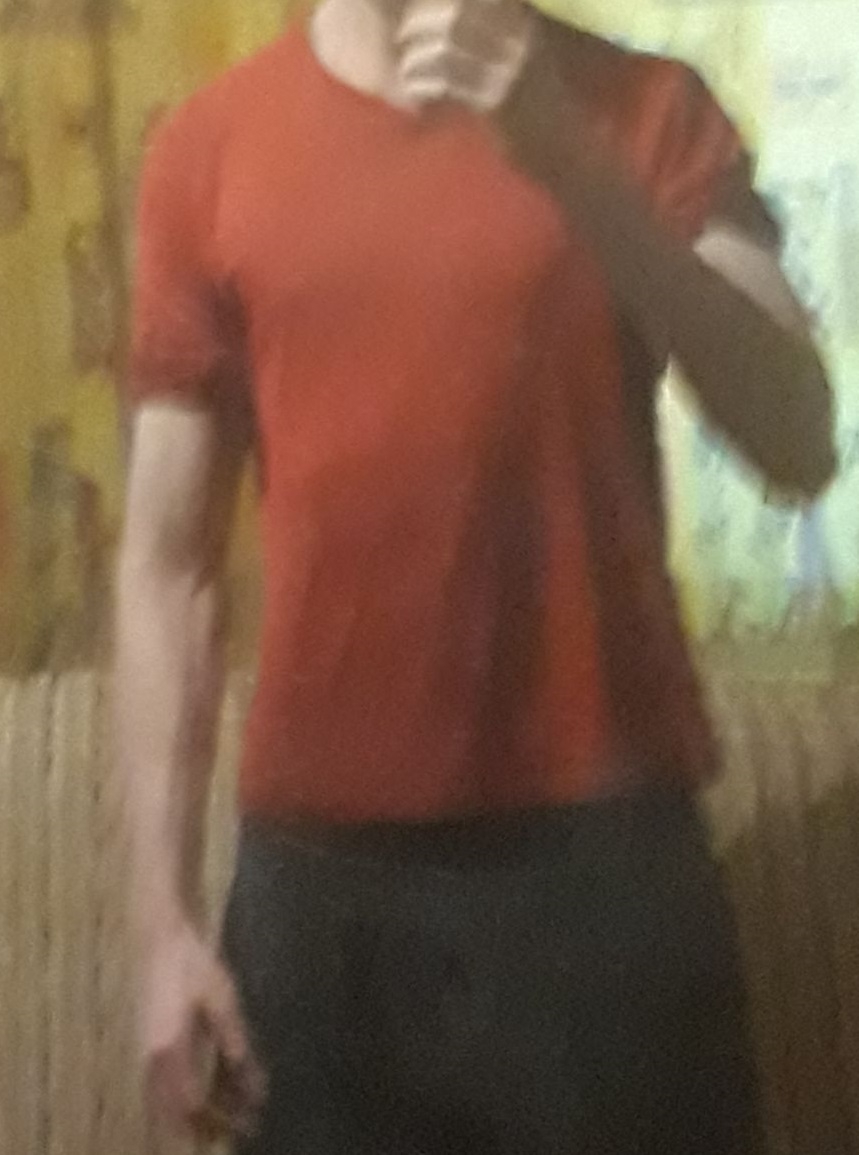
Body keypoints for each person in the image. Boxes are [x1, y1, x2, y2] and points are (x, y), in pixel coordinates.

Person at [115, 0, 836, 1150]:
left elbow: (798, 439)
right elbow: (167, 568)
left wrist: (575, 168)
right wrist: (162, 928)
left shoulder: (648, 111)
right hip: (321, 908)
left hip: (606, 882)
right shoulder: (207, 148)